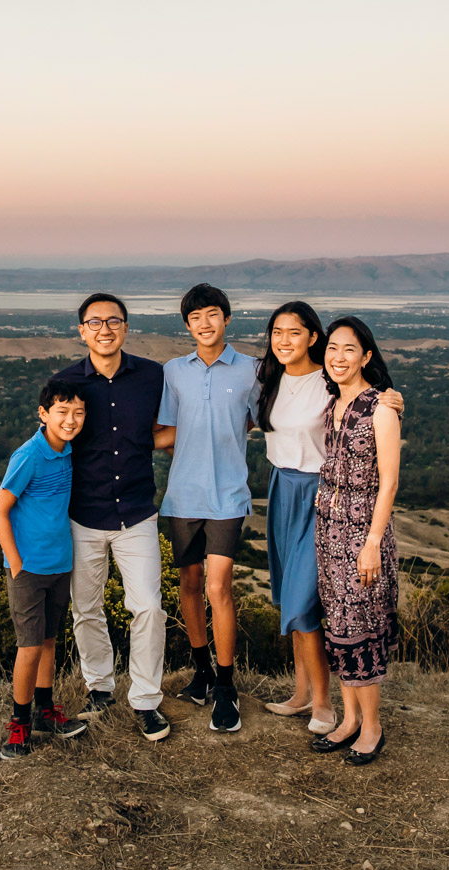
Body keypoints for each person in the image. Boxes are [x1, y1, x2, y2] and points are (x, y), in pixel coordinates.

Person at [251, 302, 403, 737]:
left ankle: (325, 705)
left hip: (321, 496)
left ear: (312, 337)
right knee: (290, 599)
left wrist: (393, 399)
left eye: (294, 332)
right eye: (276, 332)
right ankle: (302, 693)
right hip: (281, 489)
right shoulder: (270, 378)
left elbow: (373, 409)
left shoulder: (329, 381)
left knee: (304, 604)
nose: (284, 340)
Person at [49, 293, 174, 742]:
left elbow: (172, 427)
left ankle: (145, 700)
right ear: (81, 330)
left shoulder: (153, 376)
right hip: (82, 515)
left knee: (148, 609)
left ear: (125, 327)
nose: (105, 329)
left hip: (137, 512)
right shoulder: (65, 384)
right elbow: (50, 444)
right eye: (94, 322)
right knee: (86, 609)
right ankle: (99, 689)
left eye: (113, 320)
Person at [155, 283, 261, 732]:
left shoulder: (252, 369)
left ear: (227, 319)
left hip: (228, 496)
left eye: (213, 314)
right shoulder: (174, 372)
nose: (205, 323)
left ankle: (225, 686)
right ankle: (200, 673)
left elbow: (265, 417)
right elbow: (166, 431)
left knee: (220, 588)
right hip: (183, 495)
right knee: (190, 583)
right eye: (196, 317)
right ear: (187, 325)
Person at [309, 316, 403, 767]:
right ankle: (347, 721)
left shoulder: (381, 408)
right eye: (332, 348)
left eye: (349, 349)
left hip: (362, 530)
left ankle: (372, 727)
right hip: (327, 529)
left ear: (366, 356)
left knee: (359, 626)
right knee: (338, 625)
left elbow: (388, 484)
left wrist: (372, 542)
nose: (338, 357)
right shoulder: (333, 402)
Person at [0, 380, 93, 759]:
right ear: (43, 414)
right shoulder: (29, 455)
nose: (70, 420)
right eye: (62, 412)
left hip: (59, 565)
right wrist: (16, 562)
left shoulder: (68, 450)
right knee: (29, 646)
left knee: (49, 641)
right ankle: (19, 724)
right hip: (29, 569)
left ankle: (47, 712)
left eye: (78, 413)